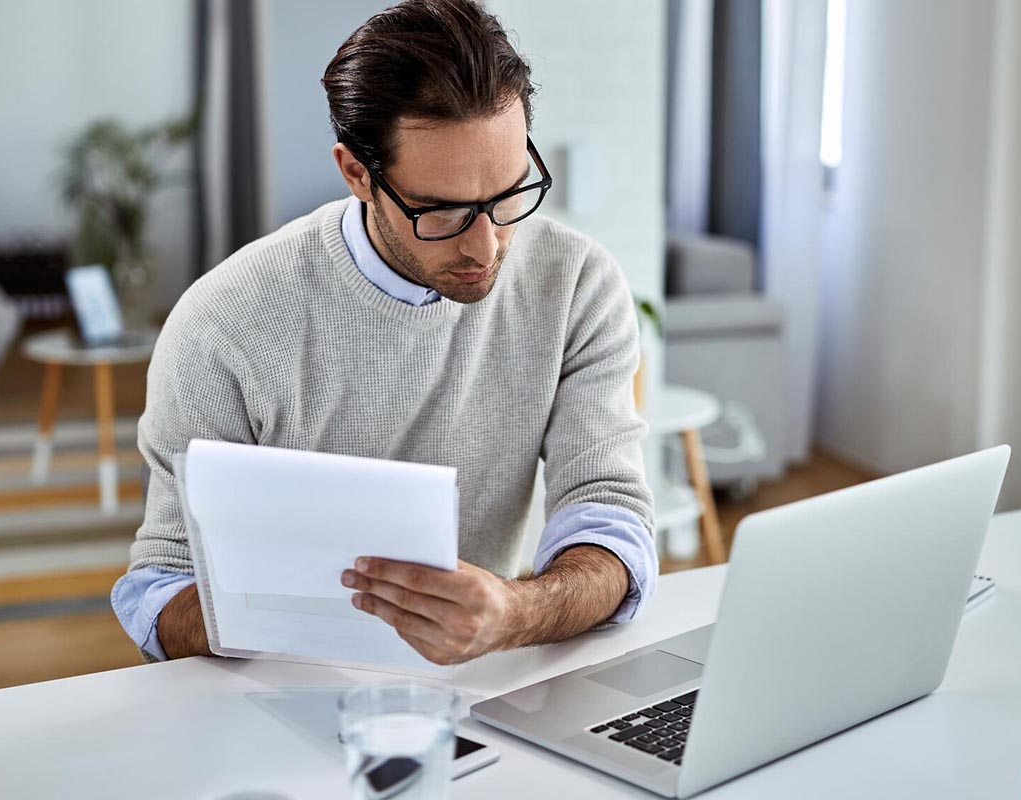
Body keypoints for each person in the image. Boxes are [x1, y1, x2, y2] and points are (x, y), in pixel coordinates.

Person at [111, 0, 656, 665]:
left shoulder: (576, 285)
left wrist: (517, 613)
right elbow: (159, 593)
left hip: (483, 679)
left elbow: (610, 515)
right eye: (441, 211)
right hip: (273, 691)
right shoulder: (222, 324)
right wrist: (299, 612)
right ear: (356, 173)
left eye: (509, 195)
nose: (487, 245)